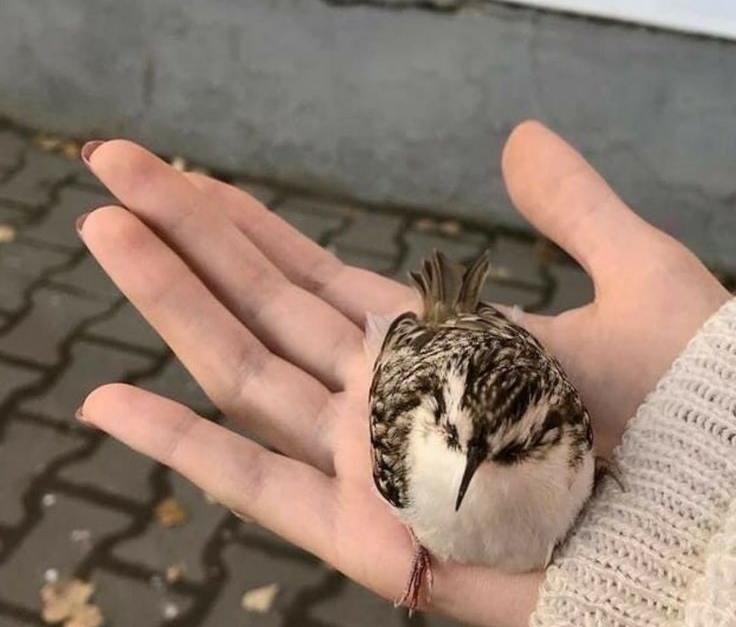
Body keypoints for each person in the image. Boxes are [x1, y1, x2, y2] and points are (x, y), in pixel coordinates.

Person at [74, 121, 735, 626]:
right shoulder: (404, 458)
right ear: (435, 421)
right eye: (455, 439)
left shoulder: (570, 440)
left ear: (558, 435)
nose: (475, 464)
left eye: (514, 447)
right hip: (439, 345)